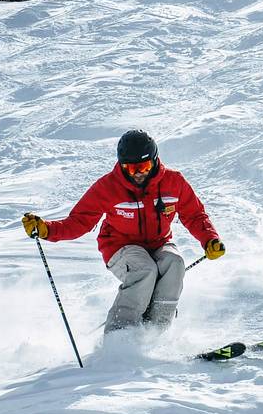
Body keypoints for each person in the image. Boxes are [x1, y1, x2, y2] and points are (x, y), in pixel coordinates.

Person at [22, 129, 225, 333]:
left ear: (154, 162)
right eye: (130, 168)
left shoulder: (174, 182)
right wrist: (46, 230)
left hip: (159, 243)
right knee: (144, 270)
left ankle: (155, 331)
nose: (137, 174)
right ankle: (119, 334)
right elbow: (79, 221)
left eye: (143, 167)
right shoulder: (108, 187)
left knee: (175, 264)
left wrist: (210, 239)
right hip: (120, 247)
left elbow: (195, 215)